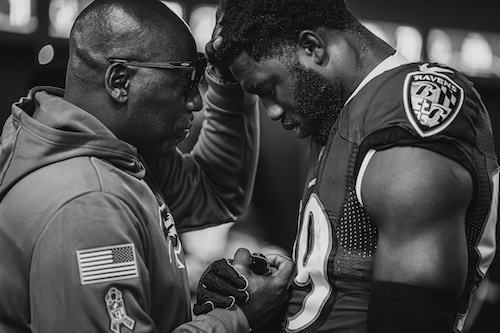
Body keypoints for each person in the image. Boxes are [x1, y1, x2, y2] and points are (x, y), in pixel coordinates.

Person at [194, 0, 500, 332]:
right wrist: (271, 295)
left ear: (312, 47)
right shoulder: (342, 116)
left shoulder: (404, 110)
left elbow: (411, 316)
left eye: (268, 89)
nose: (272, 111)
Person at [0, 0, 294, 332]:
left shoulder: (103, 154)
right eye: (184, 81)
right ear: (120, 81)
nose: (197, 101)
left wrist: (224, 81)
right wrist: (239, 317)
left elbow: (215, 190)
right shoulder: (91, 207)